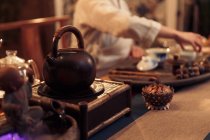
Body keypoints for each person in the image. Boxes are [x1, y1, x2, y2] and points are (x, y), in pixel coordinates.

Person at [73, 0, 206, 70]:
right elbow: (125, 25)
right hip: (99, 75)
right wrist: (176, 34)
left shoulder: (119, 1)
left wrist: (130, 47)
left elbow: (114, 33)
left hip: (121, 66)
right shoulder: (89, 2)